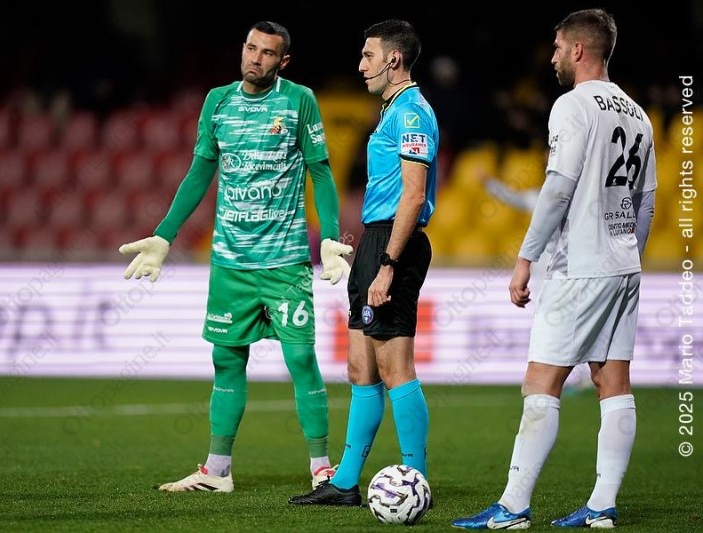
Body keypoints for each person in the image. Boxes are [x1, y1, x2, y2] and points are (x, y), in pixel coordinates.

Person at [119, 21, 353, 493]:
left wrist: (329, 237)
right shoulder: (218, 101)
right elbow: (199, 173)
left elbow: (321, 172)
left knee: (301, 359)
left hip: (284, 261)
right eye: (251, 48)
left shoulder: (299, 100)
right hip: (230, 261)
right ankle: (217, 470)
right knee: (226, 361)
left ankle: (322, 469)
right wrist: (164, 236)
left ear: (283, 61)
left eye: (267, 53)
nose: (255, 58)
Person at [452, 8, 656, 529]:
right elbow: (647, 202)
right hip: (623, 264)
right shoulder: (638, 114)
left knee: (541, 380)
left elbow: (559, 187)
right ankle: (602, 506)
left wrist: (526, 257)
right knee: (613, 382)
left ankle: (513, 506)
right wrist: (628, 253)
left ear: (579, 50)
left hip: (580, 264)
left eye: (559, 48)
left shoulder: (572, 105)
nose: (553, 57)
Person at [288, 19, 438, 506]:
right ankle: (346, 482)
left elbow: (413, 195)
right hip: (374, 241)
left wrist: (389, 263)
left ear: (393, 59)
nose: (360, 65)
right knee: (360, 368)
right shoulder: (392, 110)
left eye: (367, 55)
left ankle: (416, 483)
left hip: (396, 242)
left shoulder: (412, 113)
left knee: (396, 369)